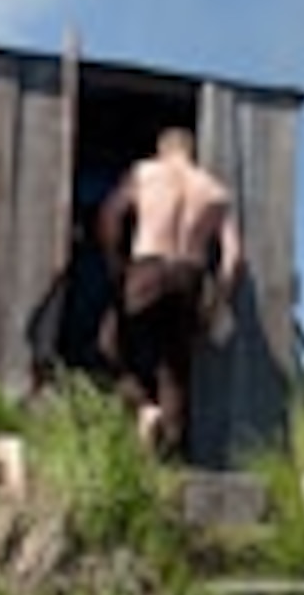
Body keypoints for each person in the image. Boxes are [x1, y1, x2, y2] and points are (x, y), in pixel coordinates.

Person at [97, 124, 242, 459]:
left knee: (110, 345)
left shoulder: (145, 173)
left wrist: (115, 264)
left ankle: (143, 406)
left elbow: (109, 217)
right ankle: (167, 457)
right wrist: (218, 304)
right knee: (174, 367)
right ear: (191, 152)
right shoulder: (215, 191)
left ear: (162, 150)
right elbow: (234, 258)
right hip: (189, 276)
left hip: (147, 267)